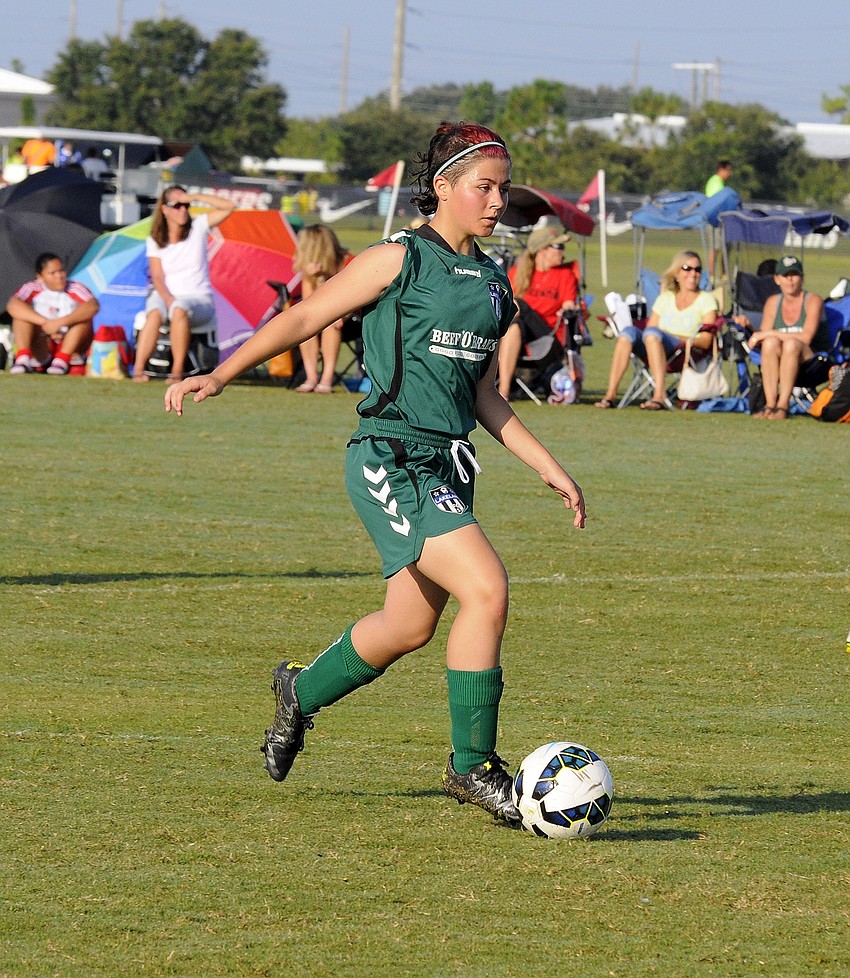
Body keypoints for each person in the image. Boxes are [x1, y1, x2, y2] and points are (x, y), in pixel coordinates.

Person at [164, 121, 587, 824]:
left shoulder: (492, 281)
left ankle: (299, 693)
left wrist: (550, 466)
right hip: (391, 456)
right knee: (487, 589)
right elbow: (305, 316)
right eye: (484, 187)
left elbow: (483, 394)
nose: (497, 201)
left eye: (504, 188)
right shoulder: (399, 258)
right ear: (443, 186)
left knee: (409, 625)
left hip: (448, 463)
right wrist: (222, 373)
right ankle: (473, 767)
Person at [132, 185, 235, 382]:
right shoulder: (155, 239)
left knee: (179, 310)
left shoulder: (198, 226)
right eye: (177, 205)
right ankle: (138, 370)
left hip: (199, 299)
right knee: (154, 313)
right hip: (167, 296)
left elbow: (229, 206)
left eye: (186, 205)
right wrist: (169, 299)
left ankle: (177, 372)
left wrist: (194, 196)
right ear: (164, 209)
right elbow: (157, 277)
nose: (183, 210)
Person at [595, 249, 718, 410]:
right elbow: (651, 326)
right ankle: (610, 396)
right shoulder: (666, 298)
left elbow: (707, 340)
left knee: (652, 334)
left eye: (697, 269)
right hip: (654, 345)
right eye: (687, 268)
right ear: (677, 273)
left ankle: (659, 396)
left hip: (683, 351)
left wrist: (681, 338)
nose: (693, 274)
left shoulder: (706, 300)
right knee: (627, 334)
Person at [497, 225, 579, 400]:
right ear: (542, 250)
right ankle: (504, 391)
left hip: (549, 338)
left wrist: (569, 309)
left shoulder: (565, 275)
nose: (563, 251)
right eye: (558, 246)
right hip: (518, 334)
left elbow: (569, 304)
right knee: (514, 326)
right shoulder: (519, 273)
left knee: (517, 304)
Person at [742, 255, 826, 420]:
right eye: (785, 275)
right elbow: (763, 338)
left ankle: (783, 406)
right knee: (770, 343)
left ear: (802, 278)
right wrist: (750, 327)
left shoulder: (813, 301)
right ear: (777, 279)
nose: (790, 280)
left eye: (794, 275)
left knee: (791, 344)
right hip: (782, 357)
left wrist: (769, 333)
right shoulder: (773, 303)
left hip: (811, 360)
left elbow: (806, 337)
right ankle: (770, 405)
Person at [6, 253, 99, 375]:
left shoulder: (75, 287)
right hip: (42, 343)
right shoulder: (32, 287)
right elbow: (13, 305)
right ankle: (23, 360)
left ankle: (62, 361)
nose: (59, 276)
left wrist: (60, 323)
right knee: (21, 318)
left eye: (61, 271)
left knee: (84, 320)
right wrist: (45, 323)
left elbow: (93, 306)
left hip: (70, 342)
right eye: (52, 273)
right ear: (40, 276)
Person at [292, 225, 352, 393]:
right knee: (306, 326)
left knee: (331, 324)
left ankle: (327, 377)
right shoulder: (308, 268)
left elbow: (349, 295)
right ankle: (311, 377)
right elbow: (309, 302)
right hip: (321, 313)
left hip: (347, 314)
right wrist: (314, 277)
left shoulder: (345, 262)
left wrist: (336, 314)